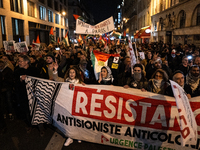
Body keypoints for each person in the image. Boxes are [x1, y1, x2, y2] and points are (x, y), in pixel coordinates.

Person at [49, 62, 84, 146]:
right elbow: (56, 78)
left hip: (77, 104)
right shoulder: (65, 81)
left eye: (73, 72)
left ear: (76, 73)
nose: (71, 74)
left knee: (77, 120)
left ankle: (78, 135)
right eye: (70, 72)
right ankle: (70, 137)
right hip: (67, 105)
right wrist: (55, 70)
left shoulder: (80, 82)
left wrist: (85, 86)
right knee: (69, 121)